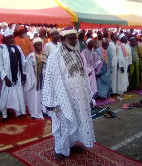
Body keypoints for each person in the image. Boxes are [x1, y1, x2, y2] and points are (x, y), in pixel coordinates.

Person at [42, 28, 95, 162]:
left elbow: (84, 77)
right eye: (71, 38)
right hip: (63, 97)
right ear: (63, 39)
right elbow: (49, 79)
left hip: (79, 96)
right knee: (62, 123)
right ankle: (60, 149)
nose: (74, 40)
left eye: (75, 38)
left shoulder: (77, 53)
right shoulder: (55, 56)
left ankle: (71, 144)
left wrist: (89, 96)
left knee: (76, 120)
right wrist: (49, 102)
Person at [0, 30, 26, 123]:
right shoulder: (2, 48)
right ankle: (4, 114)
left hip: (17, 74)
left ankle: (19, 112)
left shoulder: (18, 48)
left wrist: (23, 73)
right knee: (6, 95)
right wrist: (5, 78)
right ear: (5, 39)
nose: (11, 39)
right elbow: (0, 64)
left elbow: (23, 61)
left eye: (12, 37)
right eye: (9, 38)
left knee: (18, 94)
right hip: (7, 76)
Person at [24, 37, 47, 119]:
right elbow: (28, 70)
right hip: (34, 80)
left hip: (43, 80)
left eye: (40, 44)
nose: (39, 46)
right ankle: (34, 113)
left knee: (43, 95)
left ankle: (43, 111)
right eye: (37, 45)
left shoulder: (45, 55)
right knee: (34, 96)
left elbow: (46, 68)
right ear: (34, 46)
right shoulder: (30, 56)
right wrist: (32, 79)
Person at [116, 33, 132, 97]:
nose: (126, 38)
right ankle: (120, 91)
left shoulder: (128, 46)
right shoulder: (120, 46)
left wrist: (129, 64)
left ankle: (124, 89)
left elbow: (130, 55)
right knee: (121, 77)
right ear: (122, 39)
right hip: (122, 64)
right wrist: (121, 66)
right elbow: (119, 56)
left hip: (126, 63)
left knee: (125, 76)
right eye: (124, 37)